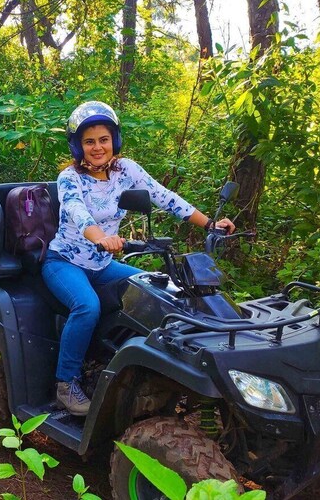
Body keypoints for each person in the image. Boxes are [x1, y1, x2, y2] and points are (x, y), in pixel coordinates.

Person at [42, 101, 236, 416]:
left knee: (156, 291)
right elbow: (77, 211)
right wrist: (100, 238)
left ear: (113, 140)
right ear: (78, 145)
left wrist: (210, 225)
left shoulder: (125, 170)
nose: (97, 147)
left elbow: (165, 197)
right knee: (86, 306)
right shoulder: (69, 177)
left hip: (103, 265)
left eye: (103, 139)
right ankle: (66, 383)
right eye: (89, 141)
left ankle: (144, 371)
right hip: (64, 262)